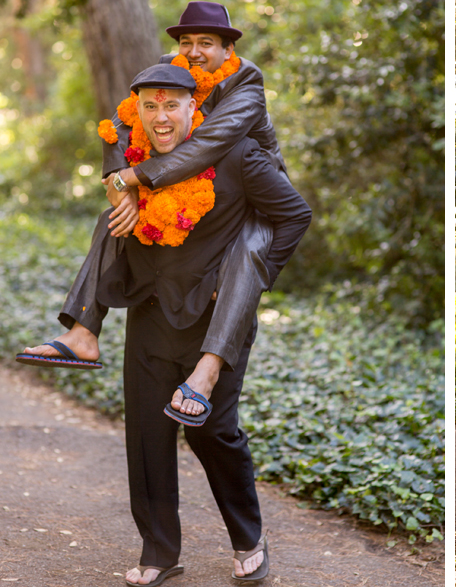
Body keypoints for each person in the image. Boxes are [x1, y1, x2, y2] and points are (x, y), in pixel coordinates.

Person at [96, 63, 311, 585]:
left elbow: (294, 215)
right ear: (139, 111)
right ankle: (159, 551)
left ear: (196, 107)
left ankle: (247, 536)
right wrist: (121, 188)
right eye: (150, 106)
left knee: (214, 431)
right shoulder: (135, 161)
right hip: (151, 315)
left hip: (217, 324)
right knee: (147, 436)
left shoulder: (238, 154)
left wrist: (255, 278)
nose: (161, 117)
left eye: (172, 105)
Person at [18, 2, 286, 403]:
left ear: (228, 50)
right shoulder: (171, 69)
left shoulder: (247, 83)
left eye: (206, 43)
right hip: (189, 183)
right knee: (115, 216)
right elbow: (123, 120)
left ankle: (208, 371)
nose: (193, 51)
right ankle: (83, 331)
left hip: (252, 199)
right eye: (186, 42)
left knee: (246, 257)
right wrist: (115, 180)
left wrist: (133, 176)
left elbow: (208, 145)